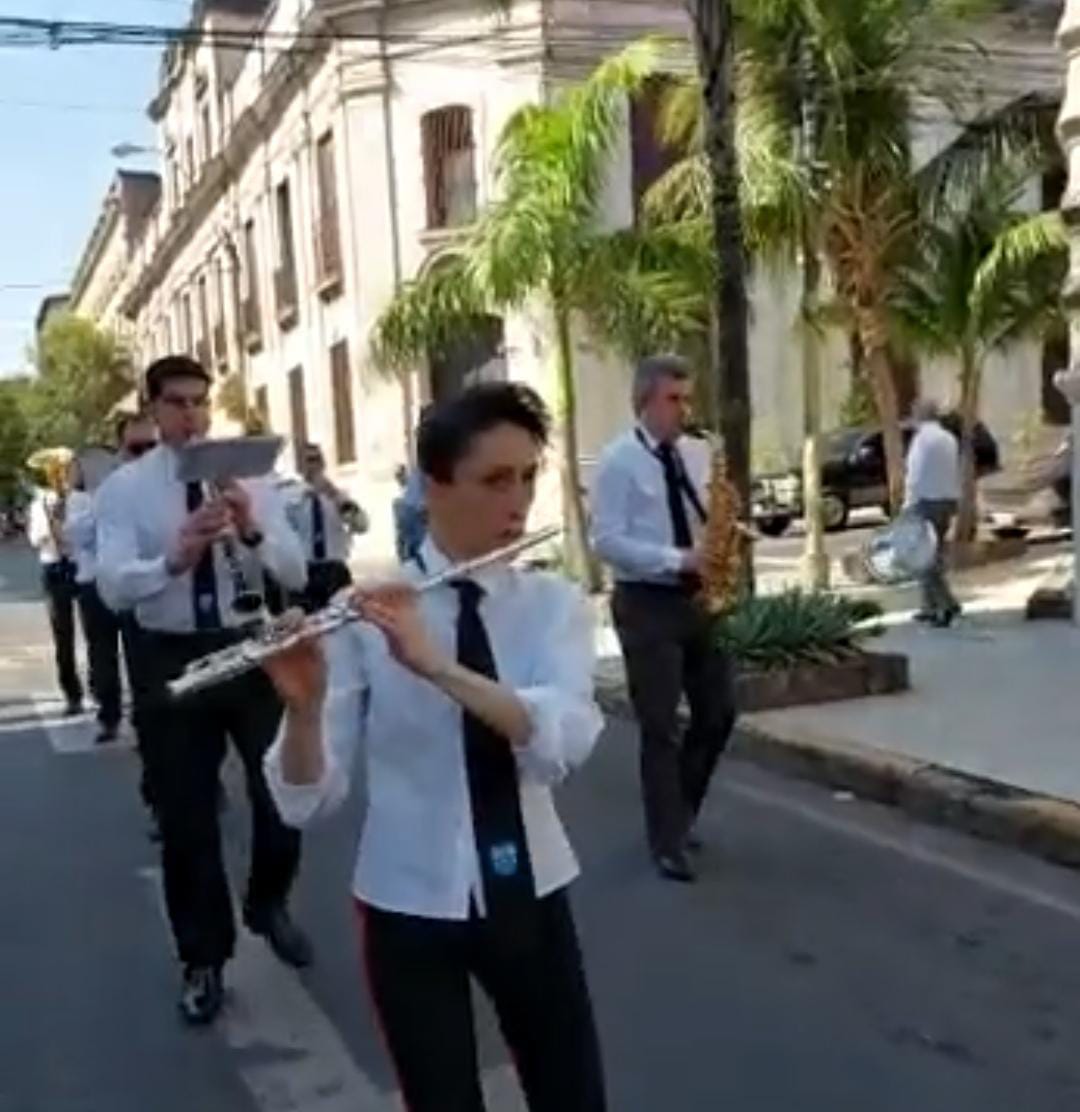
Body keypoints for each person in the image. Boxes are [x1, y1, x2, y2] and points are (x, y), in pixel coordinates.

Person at [262, 382, 607, 1111]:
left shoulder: (553, 608)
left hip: (532, 887)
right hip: (407, 899)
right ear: (434, 485)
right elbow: (307, 800)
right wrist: (303, 710)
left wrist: (438, 667)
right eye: (494, 479)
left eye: (527, 477)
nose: (518, 501)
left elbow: (562, 740)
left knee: (572, 1094)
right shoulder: (364, 618)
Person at [96, 355, 312, 1026]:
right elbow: (110, 586)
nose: (191, 416)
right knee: (187, 820)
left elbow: (297, 571)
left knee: (283, 791)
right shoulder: (125, 490)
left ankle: (268, 901)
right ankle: (204, 959)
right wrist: (173, 558)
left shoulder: (250, 476)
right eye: (177, 404)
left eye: (199, 403)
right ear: (153, 409)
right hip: (170, 654)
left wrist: (250, 527)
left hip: (249, 647)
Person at [590, 354, 736, 885]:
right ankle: (666, 842)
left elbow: (711, 513)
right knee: (659, 727)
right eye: (674, 399)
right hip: (645, 603)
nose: (684, 409)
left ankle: (682, 812)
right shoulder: (616, 462)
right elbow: (605, 541)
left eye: (687, 398)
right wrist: (677, 559)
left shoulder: (698, 454)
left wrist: (722, 544)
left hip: (697, 599)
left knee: (719, 712)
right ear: (644, 401)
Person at [27, 458, 83, 715]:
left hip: (78, 566)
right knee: (63, 635)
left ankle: (100, 688)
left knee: (95, 632)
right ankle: (72, 693)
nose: (59, 477)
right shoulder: (39, 505)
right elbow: (35, 539)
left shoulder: (79, 500)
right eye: (54, 473)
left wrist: (67, 525)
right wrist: (52, 527)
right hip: (53, 567)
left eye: (62, 471)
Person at [284, 441, 368, 611]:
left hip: (334, 569)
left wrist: (335, 496)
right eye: (308, 460)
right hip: (305, 570)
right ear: (300, 465)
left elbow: (361, 525)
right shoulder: (289, 496)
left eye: (317, 459)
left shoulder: (340, 495)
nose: (313, 465)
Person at [905, 398, 962, 628]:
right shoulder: (949, 438)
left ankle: (946, 604)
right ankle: (928, 606)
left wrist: (908, 502)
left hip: (926, 501)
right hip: (947, 501)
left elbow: (915, 473)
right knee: (933, 552)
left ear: (920, 415)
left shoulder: (921, 440)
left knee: (924, 558)